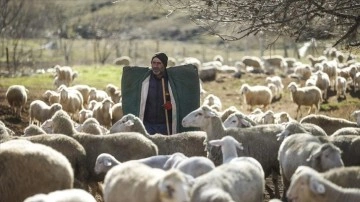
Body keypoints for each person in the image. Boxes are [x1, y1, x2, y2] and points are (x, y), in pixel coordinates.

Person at [121, 52, 200, 135]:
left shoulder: (171, 81)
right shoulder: (146, 80)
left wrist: (171, 105)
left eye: (159, 63)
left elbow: (182, 98)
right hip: (148, 124)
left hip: (166, 125)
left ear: (164, 65)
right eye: (153, 63)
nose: (155, 66)